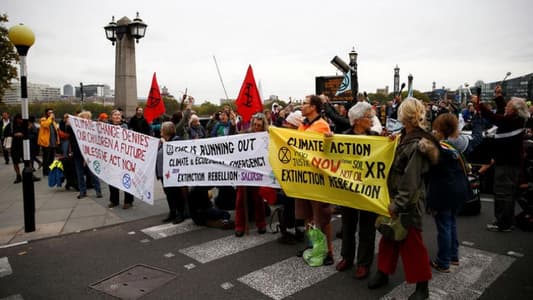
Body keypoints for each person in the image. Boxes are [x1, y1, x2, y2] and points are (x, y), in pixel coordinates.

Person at [368, 97, 438, 300]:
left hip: (409, 201)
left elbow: (411, 180)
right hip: (398, 197)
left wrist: (397, 205)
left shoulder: (417, 144)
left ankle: (422, 287)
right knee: (389, 236)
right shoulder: (406, 137)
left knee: (412, 243)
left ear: (404, 116)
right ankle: (383, 272)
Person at [335, 102, 378, 279]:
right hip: (349, 191)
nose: (372, 120)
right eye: (369, 117)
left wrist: (390, 143)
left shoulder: (376, 138)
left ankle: (364, 263)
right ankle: (347, 257)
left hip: (368, 191)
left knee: (367, 229)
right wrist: (329, 140)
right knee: (348, 226)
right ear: (358, 121)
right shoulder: (342, 137)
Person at [475, 96, 530, 232]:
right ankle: (507, 220)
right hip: (510, 162)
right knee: (508, 193)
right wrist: (499, 98)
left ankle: (503, 223)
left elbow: (496, 118)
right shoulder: (517, 120)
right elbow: (502, 114)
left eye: (508, 106)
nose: (505, 107)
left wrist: (480, 104)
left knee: (503, 193)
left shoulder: (512, 121)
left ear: (514, 110)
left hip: (507, 163)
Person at [427, 113, 471, 273]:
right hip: (459, 190)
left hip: (443, 192)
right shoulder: (456, 146)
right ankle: (453, 255)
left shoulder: (438, 148)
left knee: (444, 227)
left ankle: (443, 261)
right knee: (451, 223)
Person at [296, 95, 334, 266]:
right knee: (308, 216)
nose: (302, 106)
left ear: (313, 107)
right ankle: (314, 247)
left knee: (322, 216)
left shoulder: (322, 126)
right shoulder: (303, 125)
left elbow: (327, 151)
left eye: (305, 103)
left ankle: (329, 252)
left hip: (318, 177)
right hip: (303, 177)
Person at [234, 113, 268, 237]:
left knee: (258, 198)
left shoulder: (266, 137)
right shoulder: (244, 135)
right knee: (240, 200)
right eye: (254, 124)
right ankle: (239, 226)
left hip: (258, 172)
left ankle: (261, 224)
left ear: (263, 125)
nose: (256, 127)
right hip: (243, 172)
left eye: (259, 125)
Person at [156, 121, 186, 224]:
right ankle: (172, 212)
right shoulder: (163, 140)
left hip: (173, 174)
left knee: (176, 194)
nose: (160, 131)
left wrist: (165, 144)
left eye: (162, 129)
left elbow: (174, 153)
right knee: (168, 194)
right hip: (163, 173)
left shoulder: (176, 140)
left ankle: (180, 213)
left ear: (166, 131)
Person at [68, 111, 102, 199]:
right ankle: (82, 191)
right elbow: (68, 130)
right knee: (80, 174)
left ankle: (98, 190)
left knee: (92, 173)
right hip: (78, 153)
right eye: (83, 117)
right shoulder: (74, 128)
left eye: (87, 117)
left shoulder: (92, 128)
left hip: (89, 154)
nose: (85, 119)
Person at [108, 109, 134, 209]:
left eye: (119, 115)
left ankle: (128, 201)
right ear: (111, 117)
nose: (117, 116)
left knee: (126, 178)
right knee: (112, 179)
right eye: (115, 114)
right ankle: (114, 200)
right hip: (112, 157)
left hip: (124, 157)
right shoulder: (106, 127)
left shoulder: (126, 126)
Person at [38, 108, 60, 176]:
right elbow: (45, 125)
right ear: (46, 113)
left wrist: (57, 141)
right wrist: (50, 118)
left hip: (53, 142)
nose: (51, 114)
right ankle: (45, 171)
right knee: (46, 158)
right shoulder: (43, 119)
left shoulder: (53, 121)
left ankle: (50, 170)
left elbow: (56, 131)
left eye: (52, 112)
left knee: (51, 158)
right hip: (46, 143)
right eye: (49, 112)